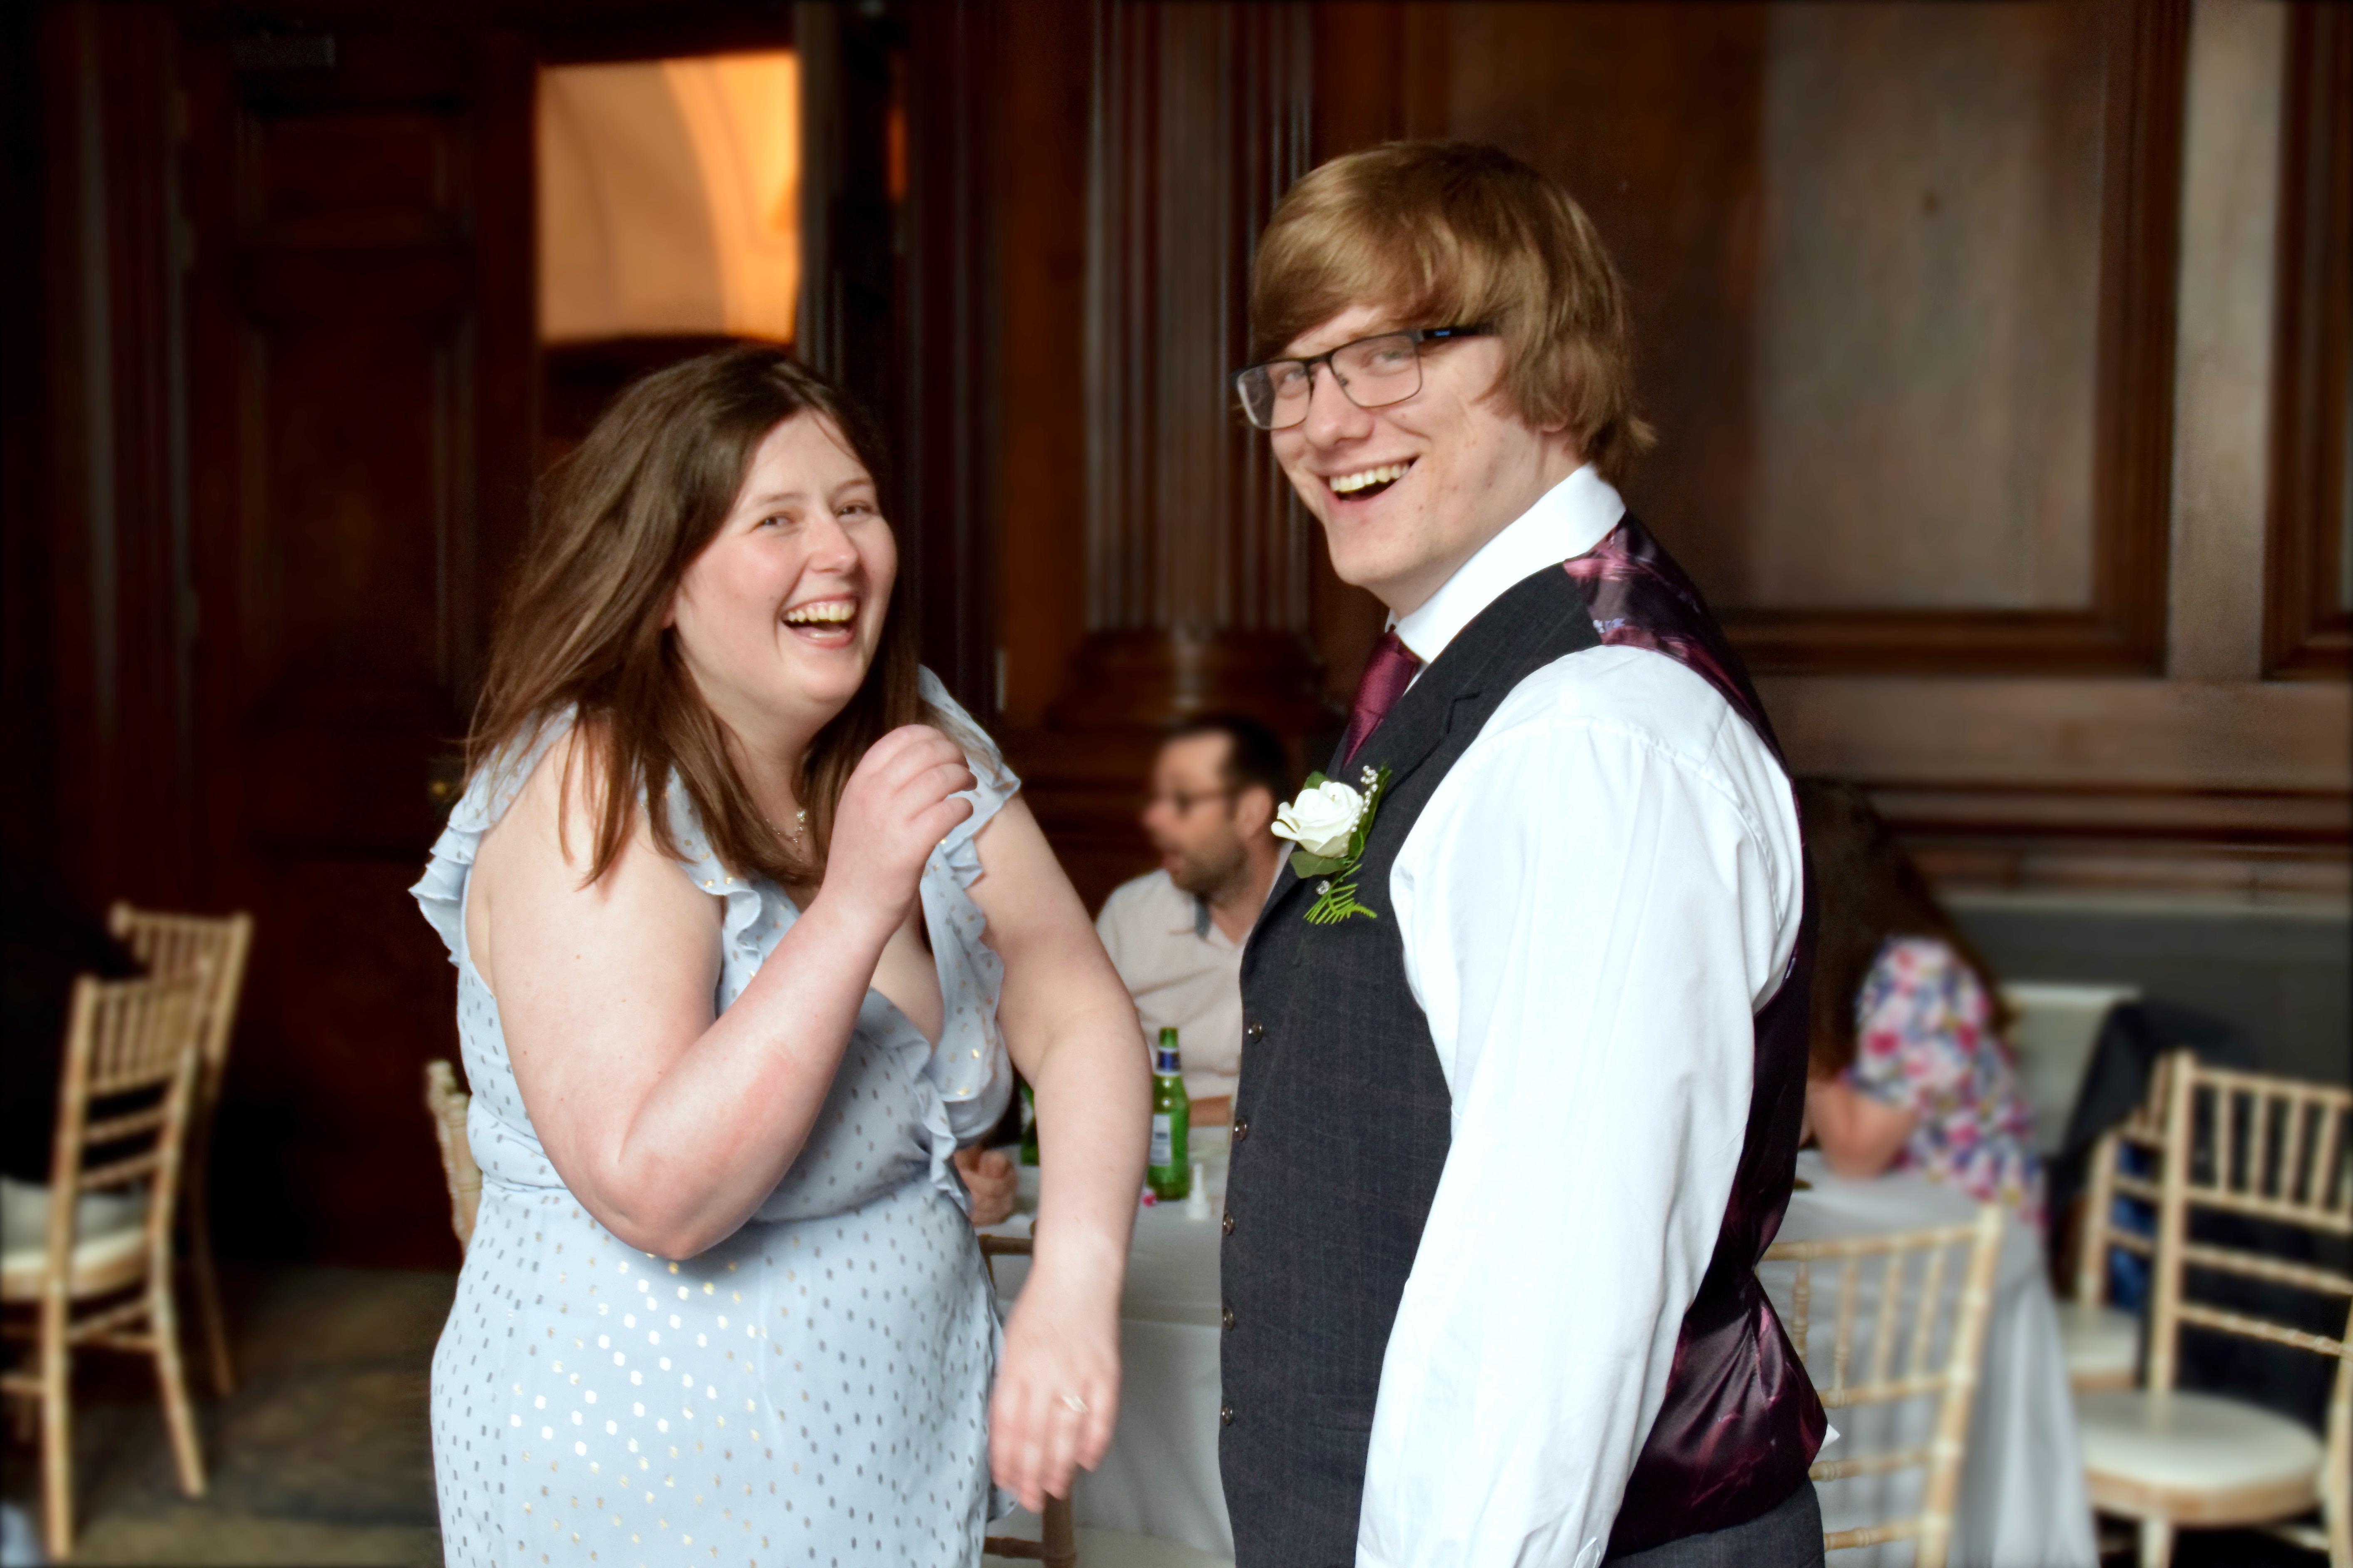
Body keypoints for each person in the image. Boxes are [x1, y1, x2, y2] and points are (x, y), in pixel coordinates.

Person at [410, 347, 1149, 1566]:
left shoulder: (910, 729)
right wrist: (852, 904)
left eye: (855, 507)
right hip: (646, 1463)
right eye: (777, 520)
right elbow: (658, 1190)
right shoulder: (593, 787)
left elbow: (1072, 1005)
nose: (839, 552)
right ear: (659, 582)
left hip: (886, 1441)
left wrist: (1075, 1282)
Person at [1218, 142, 1826, 1567]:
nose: (1322, 420)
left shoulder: (1591, 738)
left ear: (1553, 371)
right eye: (1292, 374)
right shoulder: (1476, 679)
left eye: (1387, 354)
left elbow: (1546, 1317)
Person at [1796, 779, 2045, 1228]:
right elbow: (1798, 1132)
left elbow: (1856, 1157)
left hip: (1967, 1230)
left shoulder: (1920, 976)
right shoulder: (1841, 976)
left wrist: (1808, 1022)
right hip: (1882, 1209)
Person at [1094, 715, 1290, 1120]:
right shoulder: (1131, 916)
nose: (1154, 819)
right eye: (1154, 799)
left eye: (1182, 800)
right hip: (1161, 1152)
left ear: (1251, 812)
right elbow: (1088, 1075)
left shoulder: (1328, 908)